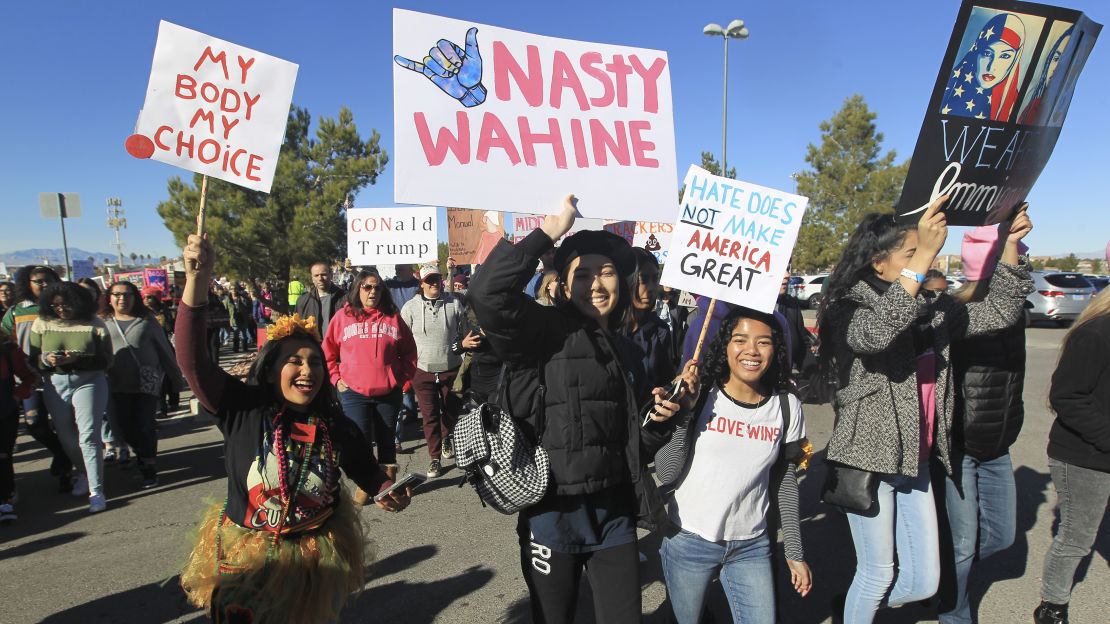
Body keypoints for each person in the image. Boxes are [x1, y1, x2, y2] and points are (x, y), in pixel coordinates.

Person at [468, 195, 685, 624]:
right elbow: (486, 293)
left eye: (606, 273)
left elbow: (632, 446)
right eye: (582, 275)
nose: (596, 284)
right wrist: (548, 231)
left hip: (615, 518)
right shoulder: (543, 331)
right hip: (552, 517)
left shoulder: (629, 348)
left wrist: (662, 420)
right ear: (564, 287)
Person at [175, 234, 412, 624]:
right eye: (295, 361)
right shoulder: (242, 409)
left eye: (315, 362)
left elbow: (367, 472)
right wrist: (196, 282)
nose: (307, 371)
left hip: (314, 561)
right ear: (270, 370)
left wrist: (388, 492)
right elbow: (192, 360)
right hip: (248, 560)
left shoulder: (337, 426)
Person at [818, 200, 1032, 623]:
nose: (925, 259)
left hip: (916, 461)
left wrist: (1008, 244)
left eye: (924, 253)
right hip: (870, 461)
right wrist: (924, 260)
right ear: (879, 264)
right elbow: (874, 335)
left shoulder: (932, 309)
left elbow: (1000, 311)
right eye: (911, 253)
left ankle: (852, 609)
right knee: (877, 573)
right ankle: (859, 608)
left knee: (923, 582)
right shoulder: (849, 306)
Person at [657, 307, 812, 623]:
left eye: (764, 342)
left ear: (776, 349)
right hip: (689, 541)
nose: (751, 351)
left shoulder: (787, 406)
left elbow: (784, 480)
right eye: (740, 339)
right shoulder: (702, 396)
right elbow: (666, 472)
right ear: (724, 345)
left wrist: (794, 551)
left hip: (751, 545)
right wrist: (685, 414)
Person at [937, 226, 1029, 624]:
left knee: (1001, 537)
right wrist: (1009, 242)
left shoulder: (1015, 315)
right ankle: (954, 613)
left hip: (998, 445)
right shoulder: (959, 313)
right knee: (961, 544)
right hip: (960, 446)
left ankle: (945, 581)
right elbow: (1002, 309)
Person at [1033, 286, 1110, 624]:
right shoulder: (1095, 334)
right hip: (1083, 456)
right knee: (1077, 537)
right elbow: (1067, 397)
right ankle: (1052, 606)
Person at [323, 269, 417, 498]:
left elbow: (410, 352)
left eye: (377, 287)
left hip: (388, 392)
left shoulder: (392, 317)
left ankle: (389, 487)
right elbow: (327, 353)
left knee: (387, 441)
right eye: (367, 287)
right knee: (360, 441)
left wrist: (402, 381)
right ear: (357, 289)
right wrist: (336, 379)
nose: (372, 291)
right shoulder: (342, 317)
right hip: (354, 393)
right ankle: (367, 483)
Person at [29, 281, 114, 513]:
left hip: (90, 381)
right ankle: (85, 473)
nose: (61, 309)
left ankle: (97, 491)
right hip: (54, 385)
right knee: (67, 437)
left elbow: (108, 360)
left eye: (66, 305)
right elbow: (32, 358)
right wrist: (47, 360)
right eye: (56, 306)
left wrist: (76, 360)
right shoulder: (41, 324)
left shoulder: (95, 324)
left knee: (88, 435)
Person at [103, 280, 186, 488]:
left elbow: (165, 351)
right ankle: (140, 454)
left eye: (127, 294)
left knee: (145, 424)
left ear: (135, 298)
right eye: (117, 294)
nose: (122, 299)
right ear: (109, 298)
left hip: (146, 384)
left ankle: (148, 464)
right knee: (123, 427)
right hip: (115, 385)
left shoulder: (147, 321)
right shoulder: (103, 322)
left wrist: (176, 379)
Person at [2, 266, 73, 491]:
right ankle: (61, 454)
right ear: (27, 284)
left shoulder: (63, 307)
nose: (43, 284)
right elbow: (5, 341)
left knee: (66, 426)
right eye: (37, 281)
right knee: (35, 424)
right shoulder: (16, 311)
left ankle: (67, 472)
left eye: (47, 280)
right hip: (32, 379)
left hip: (63, 376)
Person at [400, 264, 465, 478]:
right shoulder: (410, 307)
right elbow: (403, 339)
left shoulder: (454, 303)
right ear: (422, 283)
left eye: (436, 279)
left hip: (451, 367)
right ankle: (435, 458)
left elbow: (465, 330)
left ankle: (447, 437)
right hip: (422, 370)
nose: (434, 283)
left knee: (451, 410)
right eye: (429, 280)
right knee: (429, 416)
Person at [939, 13, 1027, 122]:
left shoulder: (1015, 105)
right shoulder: (948, 89)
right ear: (977, 51)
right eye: (987, 53)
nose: (992, 67)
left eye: (1005, 56)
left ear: (1016, 59)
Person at [1, 326, 38, 522]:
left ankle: (5, 501)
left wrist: (17, 396)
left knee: (3, 456)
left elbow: (29, 377)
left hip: (5, 412)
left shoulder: (8, 350)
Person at [626, 248, 675, 388]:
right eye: (643, 279)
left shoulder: (660, 330)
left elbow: (665, 382)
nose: (651, 287)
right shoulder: (606, 330)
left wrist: (679, 385)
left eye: (655, 279)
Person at [295, 263, 346, 337]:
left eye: (323, 274)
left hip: (336, 345)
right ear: (312, 278)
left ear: (331, 275)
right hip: (313, 346)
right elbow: (298, 327)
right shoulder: (302, 301)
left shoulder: (344, 298)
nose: (320, 278)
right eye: (316, 275)